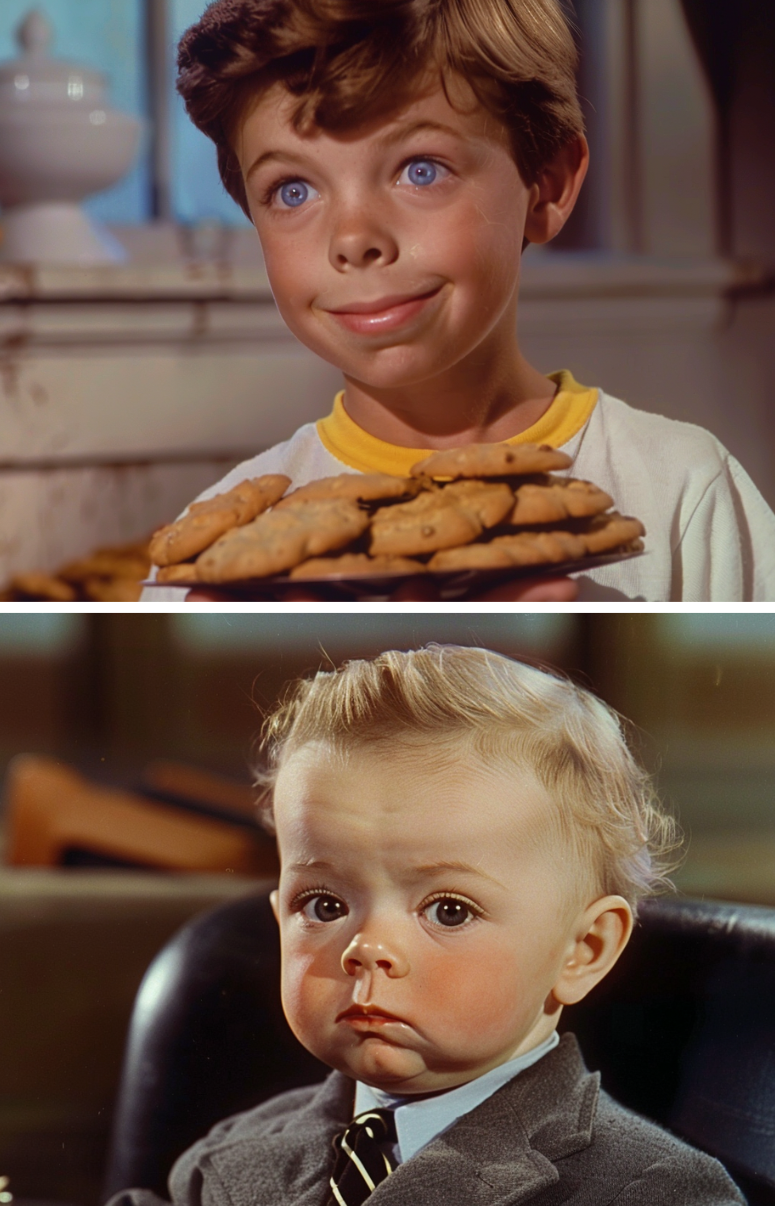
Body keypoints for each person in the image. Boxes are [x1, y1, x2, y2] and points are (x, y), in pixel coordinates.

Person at [144, 0, 775, 602]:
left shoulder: (685, 492)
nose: (354, 240)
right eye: (291, 190)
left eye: (420, 169)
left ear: (545, 186)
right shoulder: (211, 560)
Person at [108, 646, 745, 1205]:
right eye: (324, 906)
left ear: (582, 950)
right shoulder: (235, 1152)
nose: (369, 949)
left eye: (449, 910)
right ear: (279, 918)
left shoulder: (654, 1192)